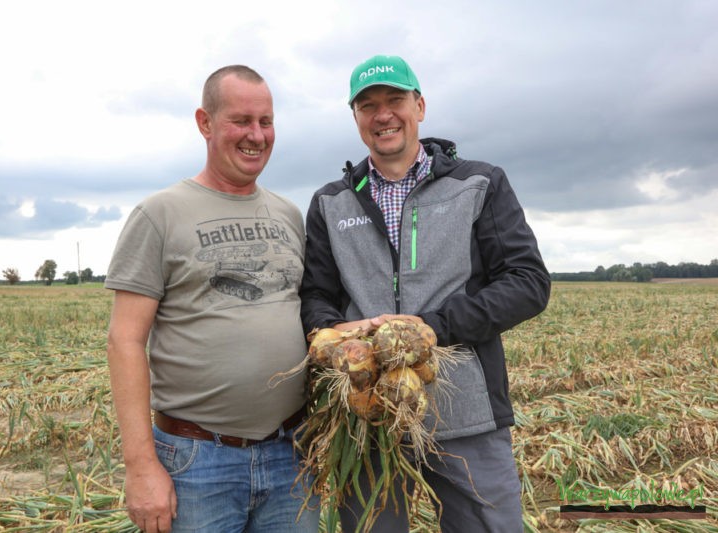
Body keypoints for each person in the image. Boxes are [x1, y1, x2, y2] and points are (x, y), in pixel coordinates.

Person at [299, 55, 551, 532]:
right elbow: (315, 293)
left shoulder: (479, 183)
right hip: (366, 416)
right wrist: (331, 331)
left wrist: (432, 328)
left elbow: (527, 282)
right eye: (368, 105)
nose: (383, 114)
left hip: (466, 416)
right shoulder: (330, 202)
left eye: (395, 100)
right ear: (355, 118)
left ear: (420, 106)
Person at [105, 65, 319, 533]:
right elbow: (124, 341)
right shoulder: (159, 214)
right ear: (205, 122)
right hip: (197, 460)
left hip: (292, 455)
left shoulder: (288, 214)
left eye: (266, 122)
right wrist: (141, 467)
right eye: (241, 120)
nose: (257, 136)